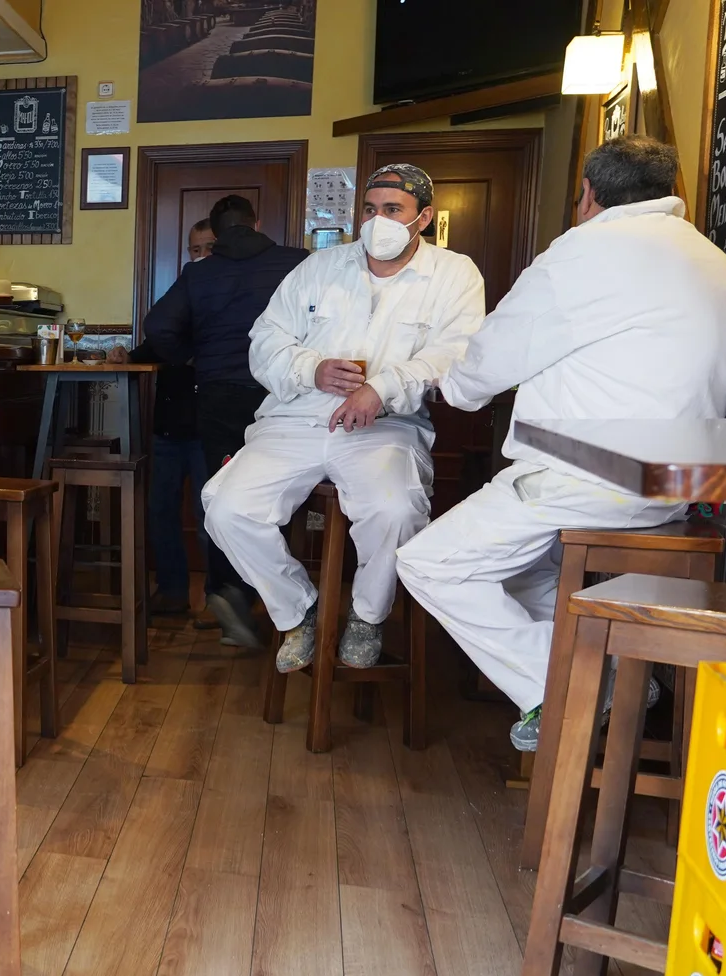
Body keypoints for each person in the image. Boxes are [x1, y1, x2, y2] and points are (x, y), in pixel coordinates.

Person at [396, 136, 726, 752]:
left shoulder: (583, 252)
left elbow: (488, 362)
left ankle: (579, 682)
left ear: (587, 196)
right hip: (678, 488)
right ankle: (612, 674)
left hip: (588, 479)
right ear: (673, 193)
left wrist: (451, 387)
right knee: (527, 569)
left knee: (429, 563)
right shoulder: (714, 259)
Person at [202, 166, 485, 671]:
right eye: (371, 209)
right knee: (226, 506)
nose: (378, 220)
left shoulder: (454, 273)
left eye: (392, 210)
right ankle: (298, 610)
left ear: (422, 217)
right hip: (296, 419)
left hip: (385, 426)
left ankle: (367, 613)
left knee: (395, 510)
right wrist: (312, 369)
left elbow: (455, 353)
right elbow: (265, 341)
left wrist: (383, 387)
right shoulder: (320, 266)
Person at [141, 195, 311, 645]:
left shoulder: (200, 274)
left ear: (216, 233)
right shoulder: (299, 263)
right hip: (286, 397)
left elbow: (157, 329)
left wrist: (193, 357)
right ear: (256, 222)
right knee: (286, 500)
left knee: (226, 498)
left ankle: (228, 590)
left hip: (219, 397)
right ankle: (284, 604)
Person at [142, 219, 216, 615]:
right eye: (194, 250)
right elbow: (152, 342)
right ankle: (171, 592)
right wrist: (125, 356)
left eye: (208, 248)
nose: (200, 257)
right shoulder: (179, 297)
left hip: (207, 428)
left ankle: (216, 600)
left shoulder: (225, 300)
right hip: (168, 426)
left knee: (212, 516)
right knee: (161, 511)